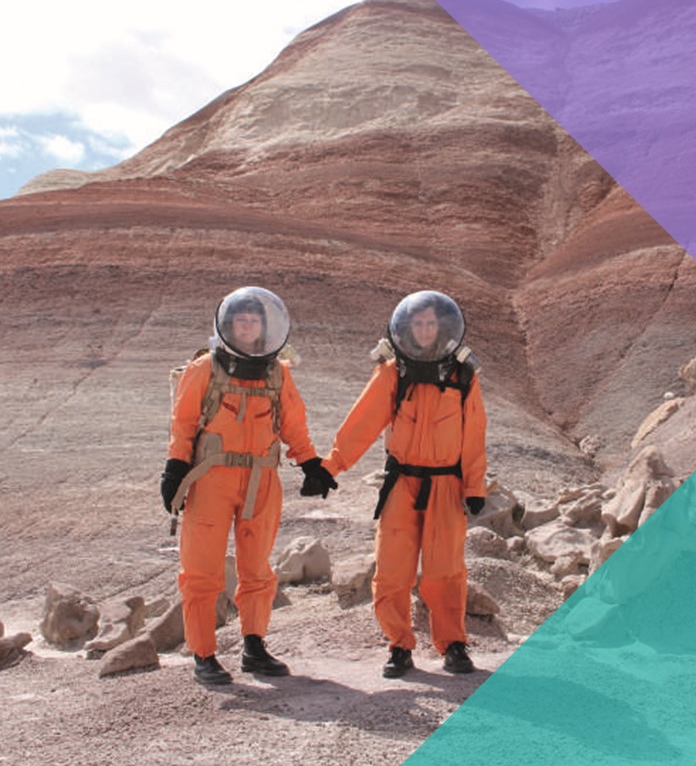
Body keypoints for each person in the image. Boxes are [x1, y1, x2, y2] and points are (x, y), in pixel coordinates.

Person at [160, 286, 336, 685]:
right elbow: (183, 425)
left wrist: (311, 464)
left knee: (257, 569)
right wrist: (174, 470)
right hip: (211, 479)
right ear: (227, 324)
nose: (246, 326)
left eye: (253, 320)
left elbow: (293, 424)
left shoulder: (277, 373)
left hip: (261, 479)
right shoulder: (204, 369)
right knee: (202, 571)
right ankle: (204, 654)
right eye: (240, 320)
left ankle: (254, 646)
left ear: (264, 326)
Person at [310, 290, 487, 678]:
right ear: (408, 328)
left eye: (430, 323)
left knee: (445, 571)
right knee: (392, 570)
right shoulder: (393, 372)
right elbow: (362, 423)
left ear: (441, 328)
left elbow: (474, 436)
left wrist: (475, 488)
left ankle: (453, 645)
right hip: (402, 483)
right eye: (418, 323)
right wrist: (329, 468)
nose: (424, 329)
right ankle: (399, 645)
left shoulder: (462, 376)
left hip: (446, 485)